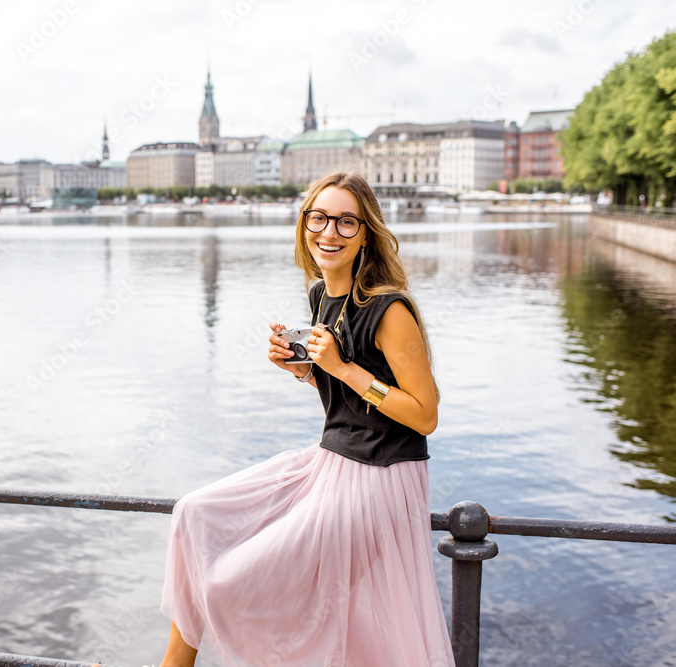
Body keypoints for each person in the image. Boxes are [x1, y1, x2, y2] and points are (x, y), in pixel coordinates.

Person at [154, 172, 457, 666]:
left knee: (231, 580)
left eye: (345, 222)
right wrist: (305, 372)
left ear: (366, 234)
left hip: (380, 477)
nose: (328, 232)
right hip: (330, 462)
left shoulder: (389, 309)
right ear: (304, 225)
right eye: (318, 218)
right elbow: (350, 397)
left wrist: (341, 367)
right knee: (194, 513)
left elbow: (425, 416)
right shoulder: (320, 296)